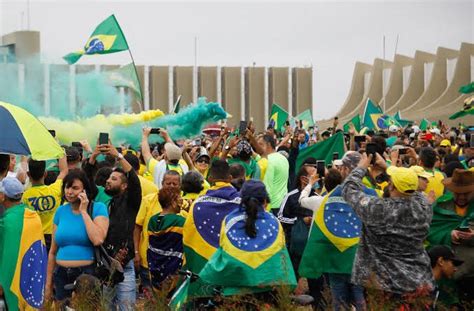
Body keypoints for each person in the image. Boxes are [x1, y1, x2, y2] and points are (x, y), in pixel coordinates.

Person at [342, 153, 434, 302]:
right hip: (417, 280)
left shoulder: (377, 208)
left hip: (381, 283)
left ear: (390, 186)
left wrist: (361, 168)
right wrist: (389, 167)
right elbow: (414, 193)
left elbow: (348, 190)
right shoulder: (424, 208)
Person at [300, 152, 378, 311]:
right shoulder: (371, 194)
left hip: (335, 257)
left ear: (345, 170)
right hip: (360, 256)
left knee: (339, 300)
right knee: (359, 296)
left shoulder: (328, 197)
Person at [199, 180, 297, 302]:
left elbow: (223, 250)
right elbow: (281, 257)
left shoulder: (229, 221)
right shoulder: (274, 222)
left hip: (233, 291)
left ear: (241, 199)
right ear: (265, 201)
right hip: (267, 290)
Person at [45, 170, 109, 305]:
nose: (69, 192)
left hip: (86, 275)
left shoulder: (98, 208)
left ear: (85, 189)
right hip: (61, 274)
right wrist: (48, 283)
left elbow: (98, 239)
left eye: (75, 188)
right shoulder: (60, 211)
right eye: (67, 187)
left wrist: (84, 212)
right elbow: (52, 251)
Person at [182, 159, 241, 298]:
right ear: (230, 178)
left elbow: (189, 235)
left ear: (210, 178)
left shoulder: (198, 204)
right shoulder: (243, 202)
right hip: (232, 265)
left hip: (205, 266)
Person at [101, 143, 142, 310]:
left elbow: (133, 178)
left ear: (124, 186)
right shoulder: (106, 203)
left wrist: (119, 156)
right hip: (105, 266)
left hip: (125, 267)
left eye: (114, 179)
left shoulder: (131, 202)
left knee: (126, 308)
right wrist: (92, 157)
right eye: (109, 178)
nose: (108, 181)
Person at [134, 170, 186, 293]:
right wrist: (136, 252)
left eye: (175, 184)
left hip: (175, 265)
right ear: (162, 183)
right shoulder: (148, 200)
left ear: (180, 186)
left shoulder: (183, 204)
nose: (172, 187)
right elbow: (137, 227)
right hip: (149, 262)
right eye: (168, 183)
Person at [427, 168, 474, 305]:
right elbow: (430, 230)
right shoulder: (442, 204)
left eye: (466, 193)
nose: (461, 197)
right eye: (457, 193)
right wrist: (448, 234)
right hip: (446, 273)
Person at [0, 177, 48, 310]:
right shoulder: (34, 216)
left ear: (3, 196)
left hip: (13, 282)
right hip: (33, 275)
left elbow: (7, 257)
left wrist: (2, 282)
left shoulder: (7, 223)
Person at [22, 155, 68, 251]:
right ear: (45, 173)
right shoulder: (55, 189)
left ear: (28, 174)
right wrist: (61, 154)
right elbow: (64, 171)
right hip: (54, 236)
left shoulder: (25, 196)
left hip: (35, 238)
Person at [147, 187, 186, 289]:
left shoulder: (152, 220)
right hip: (174, 269)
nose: (181, 203)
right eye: (179, 200)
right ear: (173, 202)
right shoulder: (180, 222)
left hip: (154, 267)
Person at [259, 134, 289, 215]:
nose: (259, 147)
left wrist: (265, 208)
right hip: (284, 203)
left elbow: (267, 186)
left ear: (268, 144)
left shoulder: (268, 160)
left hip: (272, 206)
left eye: (261, 144)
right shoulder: (283, 158)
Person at [428, 245, 464, 310]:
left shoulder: (432, 285)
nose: (456, 269)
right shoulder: (421, 287)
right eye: (454, 263)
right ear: (441, 261)